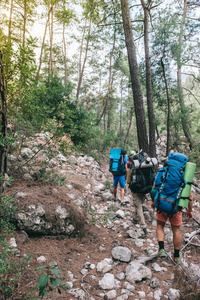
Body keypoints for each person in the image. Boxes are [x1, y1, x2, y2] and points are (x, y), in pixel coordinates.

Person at [151, 191, 193, 264]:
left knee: (160, 225)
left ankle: (161, 249)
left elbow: (155, 188)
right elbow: (189, 196)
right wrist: (190, 210)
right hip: (176, 208)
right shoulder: (183, 179)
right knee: (176, 230)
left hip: (162, 204)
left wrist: (153, 201)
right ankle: (176, 256)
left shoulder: (164, 178)